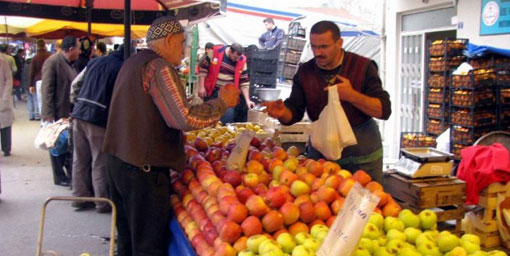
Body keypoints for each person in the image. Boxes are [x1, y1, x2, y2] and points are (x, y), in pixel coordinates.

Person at [103, 16, 239, 256]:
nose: (184, 49)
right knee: (148, 247)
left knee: (127, 242)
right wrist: (222, 103)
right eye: (181, 42)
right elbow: (184, 118)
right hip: (142, 172)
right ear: (168, 40)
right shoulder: (159, 67)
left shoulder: (133, 61)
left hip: (117, 163)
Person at [262, 21, 391, 183]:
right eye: (314, 47)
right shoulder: (305, 72)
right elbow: (294, 111)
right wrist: (282, 113)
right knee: (322, 204)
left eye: (324, 47)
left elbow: (384, 110)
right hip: (322, 159)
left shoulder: (363, 67)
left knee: (367, 203)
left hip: (362, 157)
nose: (318, 52)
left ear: (339, 43)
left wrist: (352, 95)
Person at [70, 45, 127, 212]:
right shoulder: (120, 68)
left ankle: (79, 197)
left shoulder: (94, 62)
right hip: (98, 118)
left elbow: (75, 85)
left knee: (79, 159)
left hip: (79, 114)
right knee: (99, 161)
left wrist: (79, 103)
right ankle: (102, 202)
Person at [41, 36, 81, 187]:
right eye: (78, 48)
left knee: (65, 144)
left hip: (68, 111)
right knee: (56, 145)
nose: (79, 51)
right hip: (57, 112)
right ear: (70, 49)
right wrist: (48, 116)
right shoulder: (52, 62)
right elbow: (47, 90)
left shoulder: (71, 64)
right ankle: (59, 176)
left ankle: (67, 174)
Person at [198, 43, 255, 124]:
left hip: (228, 94)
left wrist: (248, 100)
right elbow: (203, 69)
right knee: (209, 118)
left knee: (227, 118)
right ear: (230, 51)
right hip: (212, 91)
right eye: (235, 57)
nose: (237, 60)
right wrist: (201, 87)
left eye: (239, 57)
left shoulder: (242, 60)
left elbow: (244, 83)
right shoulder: (215, 52)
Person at [29, 39, 51, 120]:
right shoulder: (50, 56)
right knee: (49, 101)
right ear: (45, 45)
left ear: (37, 46)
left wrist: (31, 85)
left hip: (39, 81)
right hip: (49, 80)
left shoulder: (35, 57)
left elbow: (32, 72)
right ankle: (49, 119)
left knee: (40, 102)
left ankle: (43, 120)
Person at [0, 57, 14, 157]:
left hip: (3, 98)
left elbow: (9, 80)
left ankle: (6, 148)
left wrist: (5, 97)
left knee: (5, 125)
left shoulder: (3, 63)